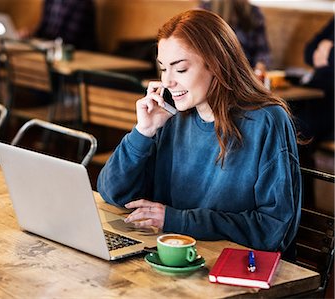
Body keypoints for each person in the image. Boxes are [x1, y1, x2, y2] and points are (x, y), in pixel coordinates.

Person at [97, 9, 301, 256]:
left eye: (180, 69)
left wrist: (179, 220)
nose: (168, 81)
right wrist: (143, 132)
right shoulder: (169, 115)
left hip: (236, 268)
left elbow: (273, 229)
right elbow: (113, 193)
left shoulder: (266, 121)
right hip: (173, 256)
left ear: (216, 65)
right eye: (163, 68)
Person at [201, 0, 271, 73]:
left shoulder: (254, 13)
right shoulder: (205, 10)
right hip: (215, 71)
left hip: (246, 73)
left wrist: (259, 68)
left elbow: (263, 51)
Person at [298, 17, 334, 143]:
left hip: (330, 99)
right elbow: (308, 52)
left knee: (297, 123)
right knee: (282, 111)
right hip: (314, 90)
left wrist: (328, 52)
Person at [21, 0, 97, 51]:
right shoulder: (50, 1)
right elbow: (43, 27)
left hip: (76, 53)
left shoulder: (82, 2)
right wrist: (30, 35)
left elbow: (70, 39)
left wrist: (44, 43)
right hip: (51, 48)